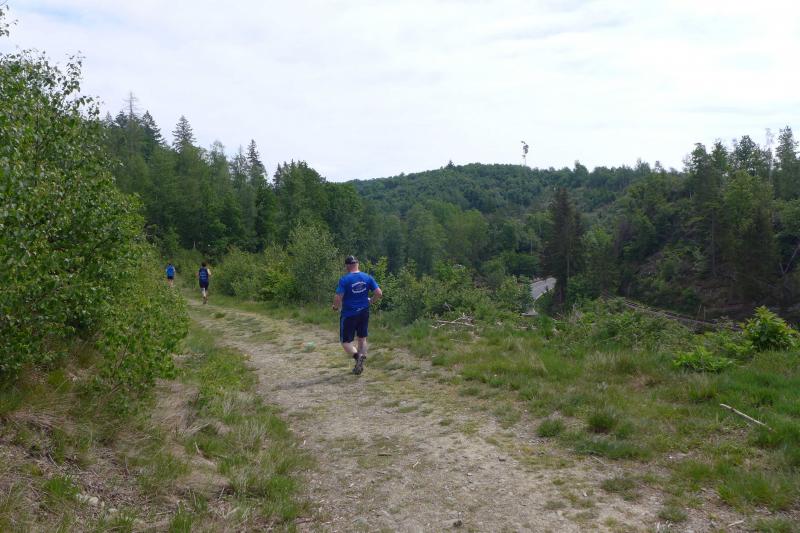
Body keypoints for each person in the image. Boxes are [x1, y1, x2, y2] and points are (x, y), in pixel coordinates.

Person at [332, 255, 382, 375]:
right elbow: (379, 293)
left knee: (346, 342)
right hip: (364, 312)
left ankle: (357, 357)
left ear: (347, 266)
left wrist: (335, 307)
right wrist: (370, 301)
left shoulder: (345, 280)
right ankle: (360, 363)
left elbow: (338, 297)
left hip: (349, 314)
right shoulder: (367, 277)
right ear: (357, 264)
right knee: (362, 338)